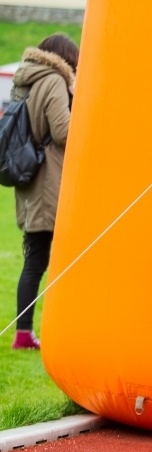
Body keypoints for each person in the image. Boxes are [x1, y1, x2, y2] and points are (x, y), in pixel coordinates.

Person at [9, 33, 78, 349]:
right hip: (49, 179)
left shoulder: (26, 79)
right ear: (65, 58)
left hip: (30, 176)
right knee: (47, 257)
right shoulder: (52, 80)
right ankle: (39, 333)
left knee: (34, 257)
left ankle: (24, 333)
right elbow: (63, 131)